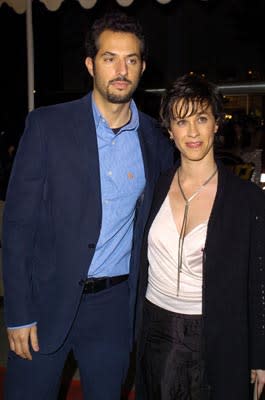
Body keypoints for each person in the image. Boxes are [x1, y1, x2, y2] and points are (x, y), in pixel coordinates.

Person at [2, 12, 174, 400]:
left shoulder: (154, 139)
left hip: (113, 308)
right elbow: (17, 228)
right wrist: (18, 313)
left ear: (143, 68)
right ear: (90, 64)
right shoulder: (47, 126)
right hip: (44, 302)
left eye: (131, 60)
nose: (121, 69)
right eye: (110, 57)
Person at [136, 74, 265, 400]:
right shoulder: (154, 188)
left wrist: (259, 355)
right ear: (169, 129)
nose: (192, 132)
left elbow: (258, 281)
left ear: (216, 125)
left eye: (202, 119)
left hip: (216, 332)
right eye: (181, 121)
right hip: (156, 328)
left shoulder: (245, 198)